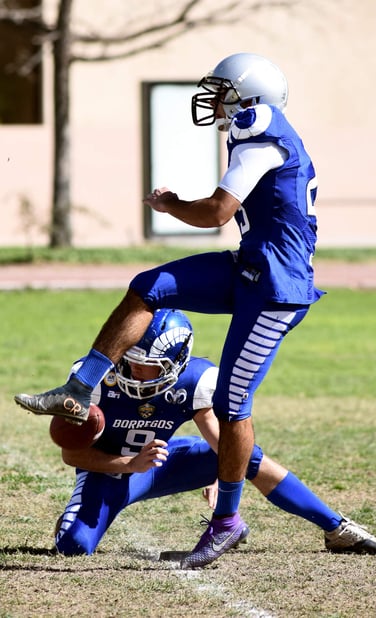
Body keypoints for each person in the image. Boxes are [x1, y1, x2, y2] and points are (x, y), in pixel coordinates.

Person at [16, 52, 330, 567]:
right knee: (150, 286)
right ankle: (77, 389)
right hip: (253, 264)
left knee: (232, 405)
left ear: (248, 96)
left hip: (277, 283)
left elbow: (217, 212)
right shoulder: (254, 129)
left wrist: (171, 205)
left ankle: (227, 522)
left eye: (223, 90)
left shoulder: (262, 123)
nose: (214, 100)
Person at [53, 309, 376, 562]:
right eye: (131, 359)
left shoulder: (196, 380)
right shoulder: (94, 377)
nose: (136, 370)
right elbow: (71, 455)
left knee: (243, 454)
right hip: (109, 472)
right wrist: (129, 463)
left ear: (176, 362)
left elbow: (233, 449)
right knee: (73, 547)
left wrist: (224, 472)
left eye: (149, 364)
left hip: (161, 459)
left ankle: (336, 527)